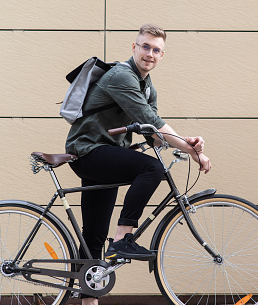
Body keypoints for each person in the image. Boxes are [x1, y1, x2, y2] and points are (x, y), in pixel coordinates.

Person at [65, 24, 211, 304]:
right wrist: (193, 152)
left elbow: (155, 134)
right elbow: (154, 122)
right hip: (88, 152)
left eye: (156, 50)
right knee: (151, 169)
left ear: (162, 56)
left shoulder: (148, 87)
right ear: (134, 48)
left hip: (102, 155)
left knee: (94, 234)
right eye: (145, 46)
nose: (150, 53)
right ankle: (122, 240)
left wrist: (186, 142)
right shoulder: (122, 76)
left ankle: (88, 299)